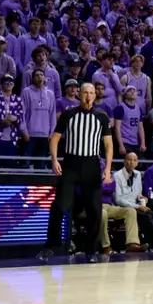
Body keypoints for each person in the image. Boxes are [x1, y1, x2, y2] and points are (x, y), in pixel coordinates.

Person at [40, 83, 114, 259]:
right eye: (85, 92)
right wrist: (54, 160)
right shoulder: (68, 114)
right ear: (79, 94)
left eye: (91, 93)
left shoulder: (101, 117)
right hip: (71, 164)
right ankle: (51, 244)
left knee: (95, 211)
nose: (88, 96)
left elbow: (109, 145)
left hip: (92, 165)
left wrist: (109, 169)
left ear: (95, 96)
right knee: (59, 207)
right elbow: (55, 138)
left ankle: (90, 250)